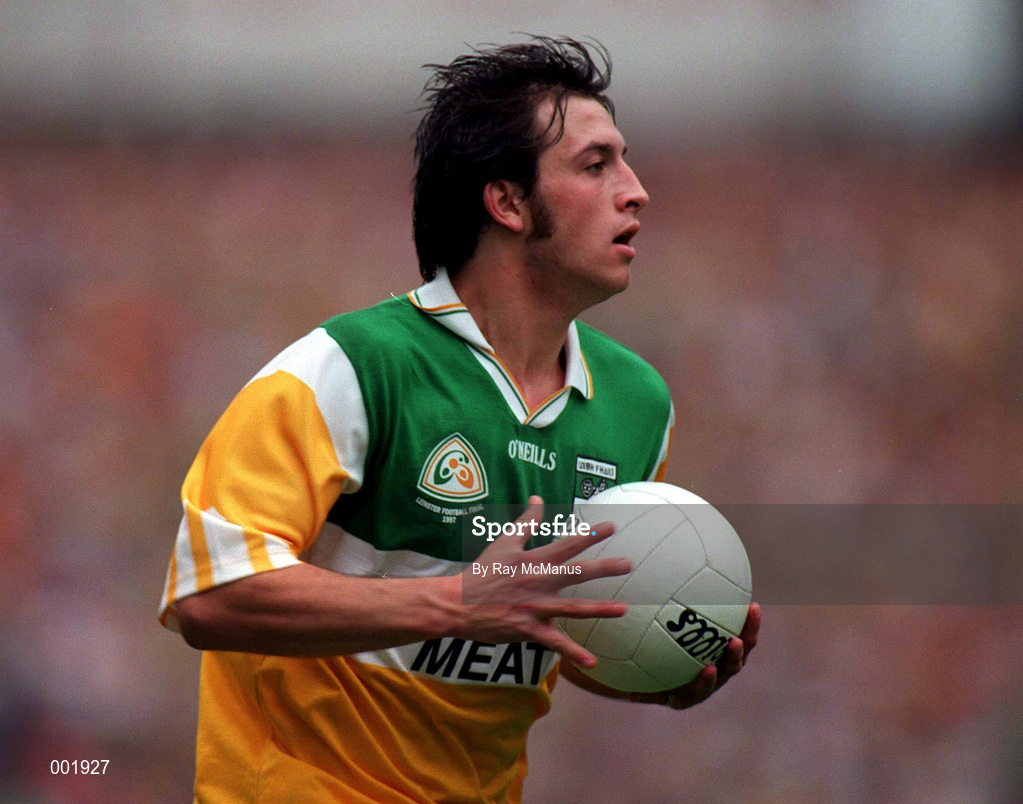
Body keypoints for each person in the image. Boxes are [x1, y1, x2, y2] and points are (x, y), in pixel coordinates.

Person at [160, 36, 759, 803]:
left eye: (626, 161)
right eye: (595, 164)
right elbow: (208, 594)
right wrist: (452, 603)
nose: (636, 190)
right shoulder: (351, 367)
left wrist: (659, 667)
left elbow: (540, 629)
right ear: (506, 201)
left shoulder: (639, 407)